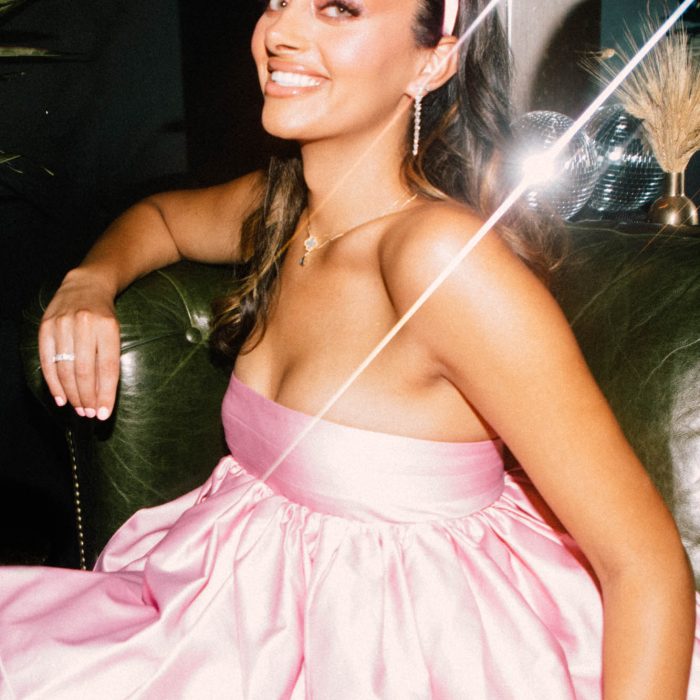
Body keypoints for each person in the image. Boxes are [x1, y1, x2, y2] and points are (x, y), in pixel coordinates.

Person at [1, 0, 699, 697]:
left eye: (338, 9)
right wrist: (89, 283)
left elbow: (644, 566)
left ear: (432, 62)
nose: (281, 32)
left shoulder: (439, 259)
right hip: (245, 611)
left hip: (410, 646)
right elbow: (160, 218)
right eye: (279, 2)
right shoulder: (283, 212)